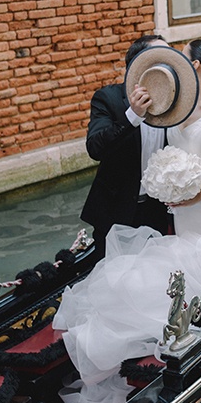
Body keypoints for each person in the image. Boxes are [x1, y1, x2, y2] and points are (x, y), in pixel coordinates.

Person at [52, 40, 201, 403]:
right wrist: (132, 115)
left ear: (194, 67)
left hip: (188, 211)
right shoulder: (114, 99)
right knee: (132, 291)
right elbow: (96, 147)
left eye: (175, 58)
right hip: (129, 212)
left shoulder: (186, 103)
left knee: (196, 285)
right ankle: (126, 372)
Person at [80, 34, 171, 262]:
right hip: (114, 211)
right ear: (138, 64)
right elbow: (95, 148)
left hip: (157, 210)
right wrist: (133, 116)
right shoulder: (107, 98)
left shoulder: (175, 104)